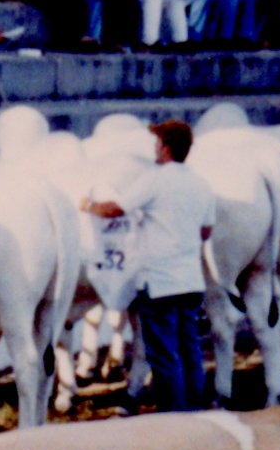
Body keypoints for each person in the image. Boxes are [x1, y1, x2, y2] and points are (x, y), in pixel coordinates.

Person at [82, 117, 214, 414]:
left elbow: (114, 208)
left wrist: (87, 206)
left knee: (165, 354)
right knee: (190, 349)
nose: (155, 148)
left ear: (166, 148)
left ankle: (174, 414)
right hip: (191, 282)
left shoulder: (156, 179)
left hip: (161, 283)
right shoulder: (201, 184)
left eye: (157, 143)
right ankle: (195, 408)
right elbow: (206, 232)